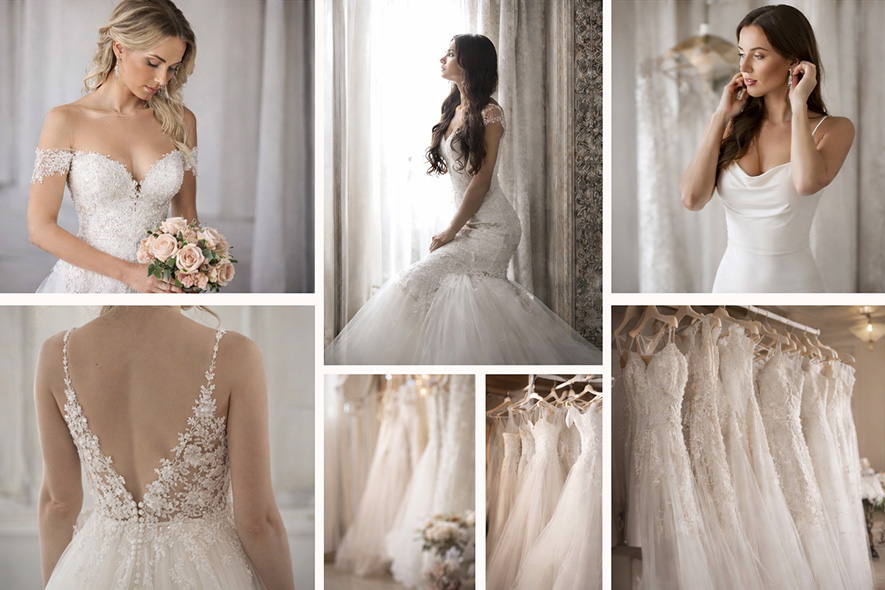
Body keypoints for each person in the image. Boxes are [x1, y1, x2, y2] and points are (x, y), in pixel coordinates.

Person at [325, 34, 599, 365]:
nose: (443, 59)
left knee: (419, 279)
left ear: (469, 63)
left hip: (495, 228)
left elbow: (482, 182)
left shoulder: (491, 113)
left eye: (451, 54)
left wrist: (450, 231)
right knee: (453, 296)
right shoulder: (454, 108)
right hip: (471, 224)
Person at [34, 306, 294, 589]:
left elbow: (57, 505)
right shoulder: (236, 354)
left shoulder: (54, 355)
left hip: (94, 568)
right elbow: (258, 522)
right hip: (202, 568)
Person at [27, 0, 199, 293]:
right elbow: (40, 228)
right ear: (120, 48)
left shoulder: (180, 121)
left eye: (172, 68)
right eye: (153, 63)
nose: (162, 79)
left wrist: (191, 276)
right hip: (86, 284)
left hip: (157, 287)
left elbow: (187, 217)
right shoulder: (66, 120)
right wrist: (129, 273)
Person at [680, 4, 854, 293]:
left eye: (758, 56)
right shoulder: (731, 126)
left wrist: (798, 104)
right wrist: (720, 116)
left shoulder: (835, 129)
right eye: (741, 54)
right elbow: (691, 199)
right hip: (730, 283)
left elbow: (806, 182)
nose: (744, 67)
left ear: (793, 62)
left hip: (796, 286)